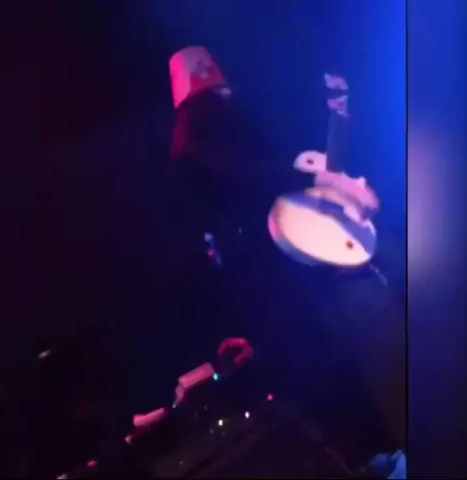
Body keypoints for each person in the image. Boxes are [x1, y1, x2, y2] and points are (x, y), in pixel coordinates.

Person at [168, 46, 406, 473]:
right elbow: (242, 177)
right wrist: (314, 176)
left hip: (287, 286)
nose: (227, 102)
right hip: (278, 289)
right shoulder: (199, 146)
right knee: (326, 372)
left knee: (339, 366)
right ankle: (373, 453)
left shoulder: (211, 139)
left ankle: (379, 450)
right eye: (217, 97)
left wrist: (317, 173)